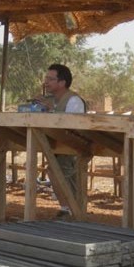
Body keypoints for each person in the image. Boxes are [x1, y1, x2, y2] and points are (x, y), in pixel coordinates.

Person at [35, 64, 86, 218]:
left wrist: (51, 109)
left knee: (67, 176)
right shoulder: (52, 100)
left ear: (62, 82)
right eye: (46, 78)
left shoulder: (74, 101)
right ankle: (67, 208)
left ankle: (74, 211)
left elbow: (73, 126)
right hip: (58, 147)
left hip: (73, 148)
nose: (46, 82)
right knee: (54, 172)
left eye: (50, 79)